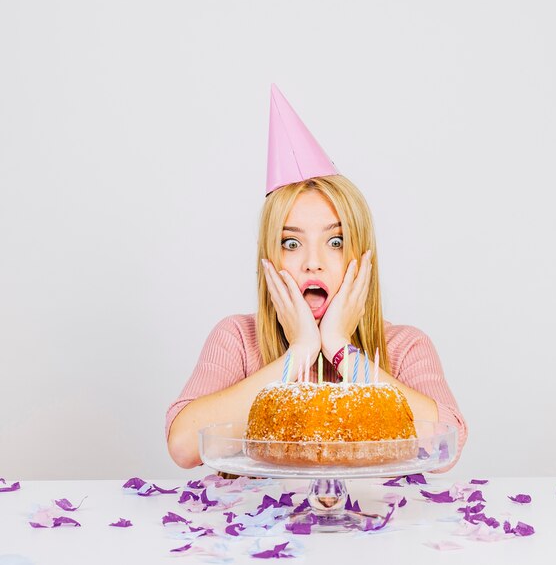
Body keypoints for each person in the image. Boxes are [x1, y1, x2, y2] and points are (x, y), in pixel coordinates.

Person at [166, 85, 467, 472]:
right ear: (269, 259)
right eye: (291, 243)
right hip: (265, 530)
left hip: (374, 529)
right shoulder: (238, 339)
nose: (313, 263)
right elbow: (183, 446)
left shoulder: (405, 346)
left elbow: (447, 447)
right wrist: (300, 354)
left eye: (336, 241)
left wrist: (340, 348)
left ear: (361, 255)